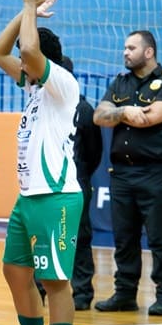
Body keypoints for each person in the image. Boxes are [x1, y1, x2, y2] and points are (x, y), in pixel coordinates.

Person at [0, 0, 83, 325]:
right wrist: (24, 12)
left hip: (57, 197)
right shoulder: (32, 84)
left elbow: (26, 49)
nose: (20, 66)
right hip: (28, 198)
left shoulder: (61, 83)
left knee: (56, 282)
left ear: (43, 60)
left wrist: (30, 5)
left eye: (28, 62)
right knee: (14, 271)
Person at [92, 30, 162, 316]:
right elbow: (99, 115)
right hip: (121, 173)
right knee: (124, 237)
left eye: (131, 48)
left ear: (149, 51)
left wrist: (120, 111)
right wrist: (125, 111)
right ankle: (125, 294)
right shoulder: (120, 81)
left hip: (154, 172)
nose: (125, 52)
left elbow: (153, 117)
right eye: (124, 48)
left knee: (159, 238)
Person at [60, 56, 104, 311]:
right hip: (48, 182)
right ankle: (41, 288)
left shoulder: (84, 109)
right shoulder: (42, 104)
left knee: (80, 236)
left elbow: (94, 150)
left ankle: (83, 292)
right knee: (45, 235)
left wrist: (81, 174)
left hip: (77, 180)